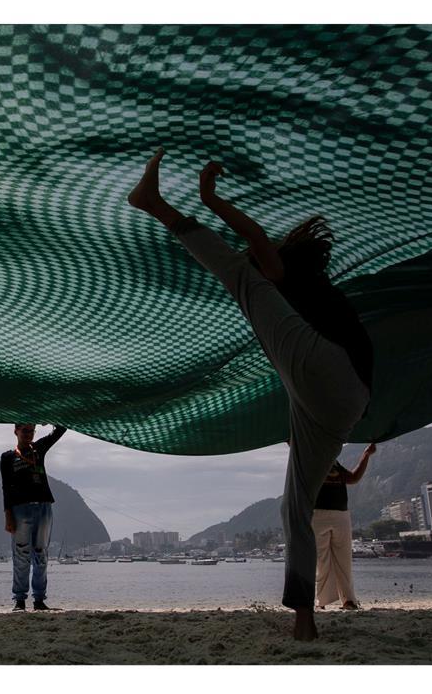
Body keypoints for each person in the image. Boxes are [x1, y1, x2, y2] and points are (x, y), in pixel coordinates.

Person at [128, 150, 373, 640]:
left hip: (330, 373)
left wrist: (210, 199)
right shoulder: (315, 295)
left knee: (240, 278)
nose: (263, 259)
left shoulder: (290, 275)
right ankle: (304, 617)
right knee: (293, 508)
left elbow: (255, 239)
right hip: (342, 402)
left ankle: (153, 203)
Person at [1, 423, 67, 612]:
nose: (29, 434)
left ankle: (39, 600)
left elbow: (61, 430)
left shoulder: (39, 449)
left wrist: (47, 417)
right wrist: (8, 516)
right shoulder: (7, 457)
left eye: (32, 431)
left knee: (41, 554)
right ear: (16, 432)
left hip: (43, 507)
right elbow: (6, 488)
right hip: (19, 510)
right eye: (25, 431)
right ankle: (19, 601)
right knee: (21, 554)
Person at [314, 443, 377, 610]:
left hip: (341, 514)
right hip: (318, 514)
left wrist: (366, 455)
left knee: (344, 559)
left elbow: (354, 478)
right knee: (322, 560)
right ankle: (321, 601)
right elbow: (298, 448)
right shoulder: (309, 459)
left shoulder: (334, 463)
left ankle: (348, 600)